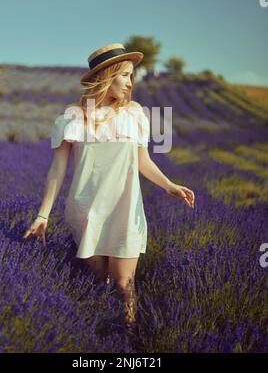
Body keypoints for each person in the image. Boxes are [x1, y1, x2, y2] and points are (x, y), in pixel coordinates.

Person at [22, 43, 195, 328]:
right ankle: (98, 338)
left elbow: (143, 160)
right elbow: (57, 170)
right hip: (86, 210)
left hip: (126, 209)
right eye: (125, 75)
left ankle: (126, 341)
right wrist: (43, 215)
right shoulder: (72, 118)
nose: (130, 83)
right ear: (106, 75)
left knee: (125, 284)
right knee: (99, 283)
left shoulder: (134, 114)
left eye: (132, 76)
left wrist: (169, 185)